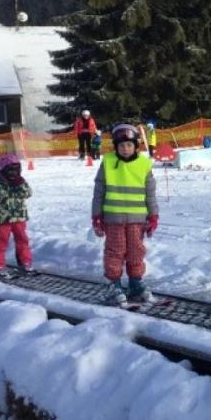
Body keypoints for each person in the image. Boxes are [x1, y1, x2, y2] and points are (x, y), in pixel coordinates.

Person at [91, 122, 159, 307]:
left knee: (136, 251)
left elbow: (150, 194)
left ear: (136, 145)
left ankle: (135, 281)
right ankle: (114, 283)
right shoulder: (108, 162)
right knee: (115, 251)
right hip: (113, 219)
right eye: (121, 145)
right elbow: (99, 191)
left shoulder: (144, 164)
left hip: (137, 220)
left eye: (129, 145)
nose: (125, 149)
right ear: (116, 146)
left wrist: (153, 216)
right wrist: (96, 216)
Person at [0, 154, 33, 276]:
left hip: (19, 218)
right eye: (11, 170)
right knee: (0, 242)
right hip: (3, 219)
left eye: (17, 169)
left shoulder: (19, 183)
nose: (14, 173)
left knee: (22, 240)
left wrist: (20, 183)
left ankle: (25, 262)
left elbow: (28, 193)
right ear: (3, 171)